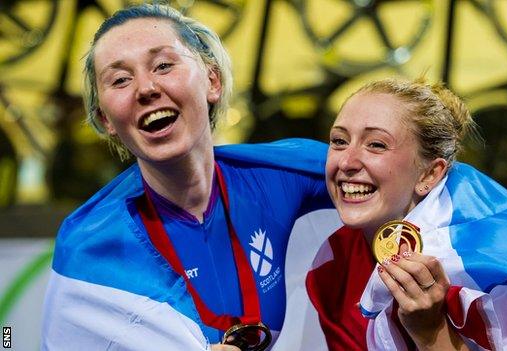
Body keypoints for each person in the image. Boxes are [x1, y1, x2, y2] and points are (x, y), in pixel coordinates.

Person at [41, 4, 333, 350]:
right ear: (105, 120)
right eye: (120, 80)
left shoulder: (288, 175)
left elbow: (395, 175)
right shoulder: (87, 250)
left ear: (213, 81)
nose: (145, 88)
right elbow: (12, 339)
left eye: (163, 65)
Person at [305, 78, 507, 350]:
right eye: (339, 141)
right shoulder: (333, 264)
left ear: (429, 175)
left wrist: (432, 335)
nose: (346, 162)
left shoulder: (484, 266)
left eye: (376, 144)